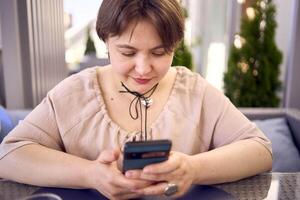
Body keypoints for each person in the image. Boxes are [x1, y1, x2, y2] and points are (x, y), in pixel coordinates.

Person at [0, 0, 272, 199]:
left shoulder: (196, 92)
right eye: (127, 53)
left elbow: (259, 150)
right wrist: (90, 174)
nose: (143, 69)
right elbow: (9, 155)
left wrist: (193, 168)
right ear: (106, 40)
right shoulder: (74, 93)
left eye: (159, 52)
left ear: (175, 47)